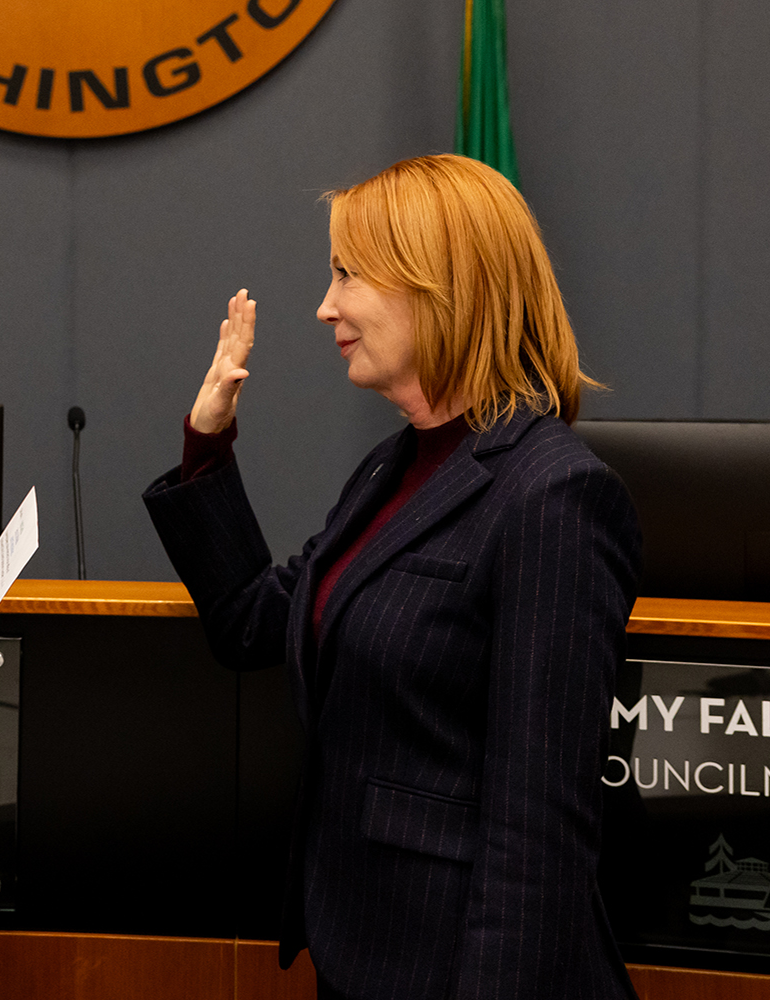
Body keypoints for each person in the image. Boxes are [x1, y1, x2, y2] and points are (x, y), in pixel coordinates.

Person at [141, 153, 640, 997]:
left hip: (461, 969)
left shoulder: (554, 494)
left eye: (347, 274)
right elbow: (249, 623)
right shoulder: (393, 466)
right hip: (364, 947)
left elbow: (539, 827)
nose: (324, 305)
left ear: (437, 285)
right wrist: (206, 442)